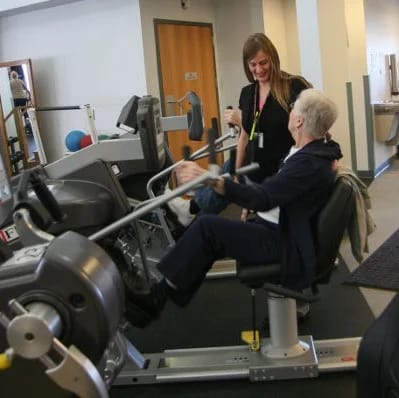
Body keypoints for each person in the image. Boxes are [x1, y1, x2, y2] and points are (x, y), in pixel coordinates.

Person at [124, 88, 342, 328]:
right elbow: (278, 193)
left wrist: (208, 178)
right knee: (208, 234)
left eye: (293, 109)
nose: (289, 113)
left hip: (283, 240)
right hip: (278, 226)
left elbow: (264, 197)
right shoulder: (314, 151)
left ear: (299, 120)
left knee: (208, 229)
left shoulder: (308, 161)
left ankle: (158, 298)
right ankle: (169, 286)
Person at [190, 33, 312, 218]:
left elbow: (312, 126)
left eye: (263, 63)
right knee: (220, 184)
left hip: (278, 171)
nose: (258, 69)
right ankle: (191, 211)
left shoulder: (293, 86)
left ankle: (190, 211)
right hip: (252, 165)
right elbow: (245, 136)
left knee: (214, 197)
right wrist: (237, 173)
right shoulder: (248, 93)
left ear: (273, 59)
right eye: (253, 65)